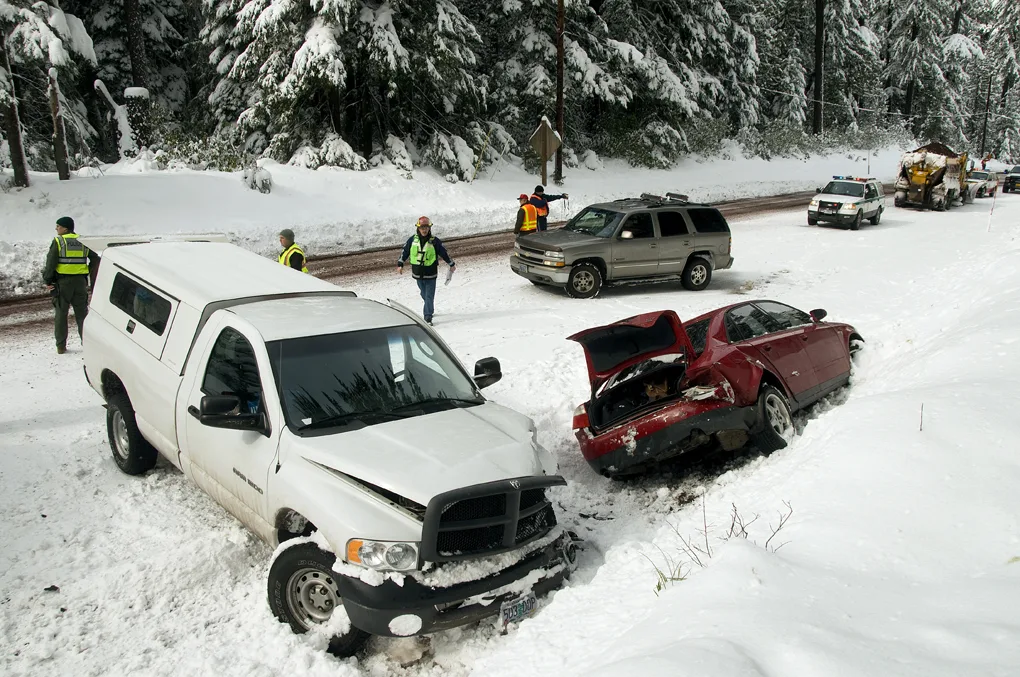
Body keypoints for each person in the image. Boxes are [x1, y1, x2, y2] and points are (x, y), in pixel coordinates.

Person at [43, 216, 99, 354]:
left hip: (63, 283)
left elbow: (51, 262)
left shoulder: (59, 241)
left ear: (66, 228)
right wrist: (88, 272)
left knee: (61, 314)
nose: (56, 228)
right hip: (80, 283)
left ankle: (61, 346)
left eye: (58, 226)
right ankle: (87, 343)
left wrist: (48, 280)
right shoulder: (82, 241)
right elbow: (95, 258)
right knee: (82, 314)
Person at [397, 216, 455, 325]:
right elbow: (405, 252)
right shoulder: (412, 240)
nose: (424, 230)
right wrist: (400, 264)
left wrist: (451, 264)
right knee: (424, 294)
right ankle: (430, 308)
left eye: (426, 228)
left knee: (429, 295)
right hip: (418, 273)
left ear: (429, 228)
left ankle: (427, 317)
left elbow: (444, 253)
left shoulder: (435, 241)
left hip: (431, 273)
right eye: (422, 228)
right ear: (418, 228)